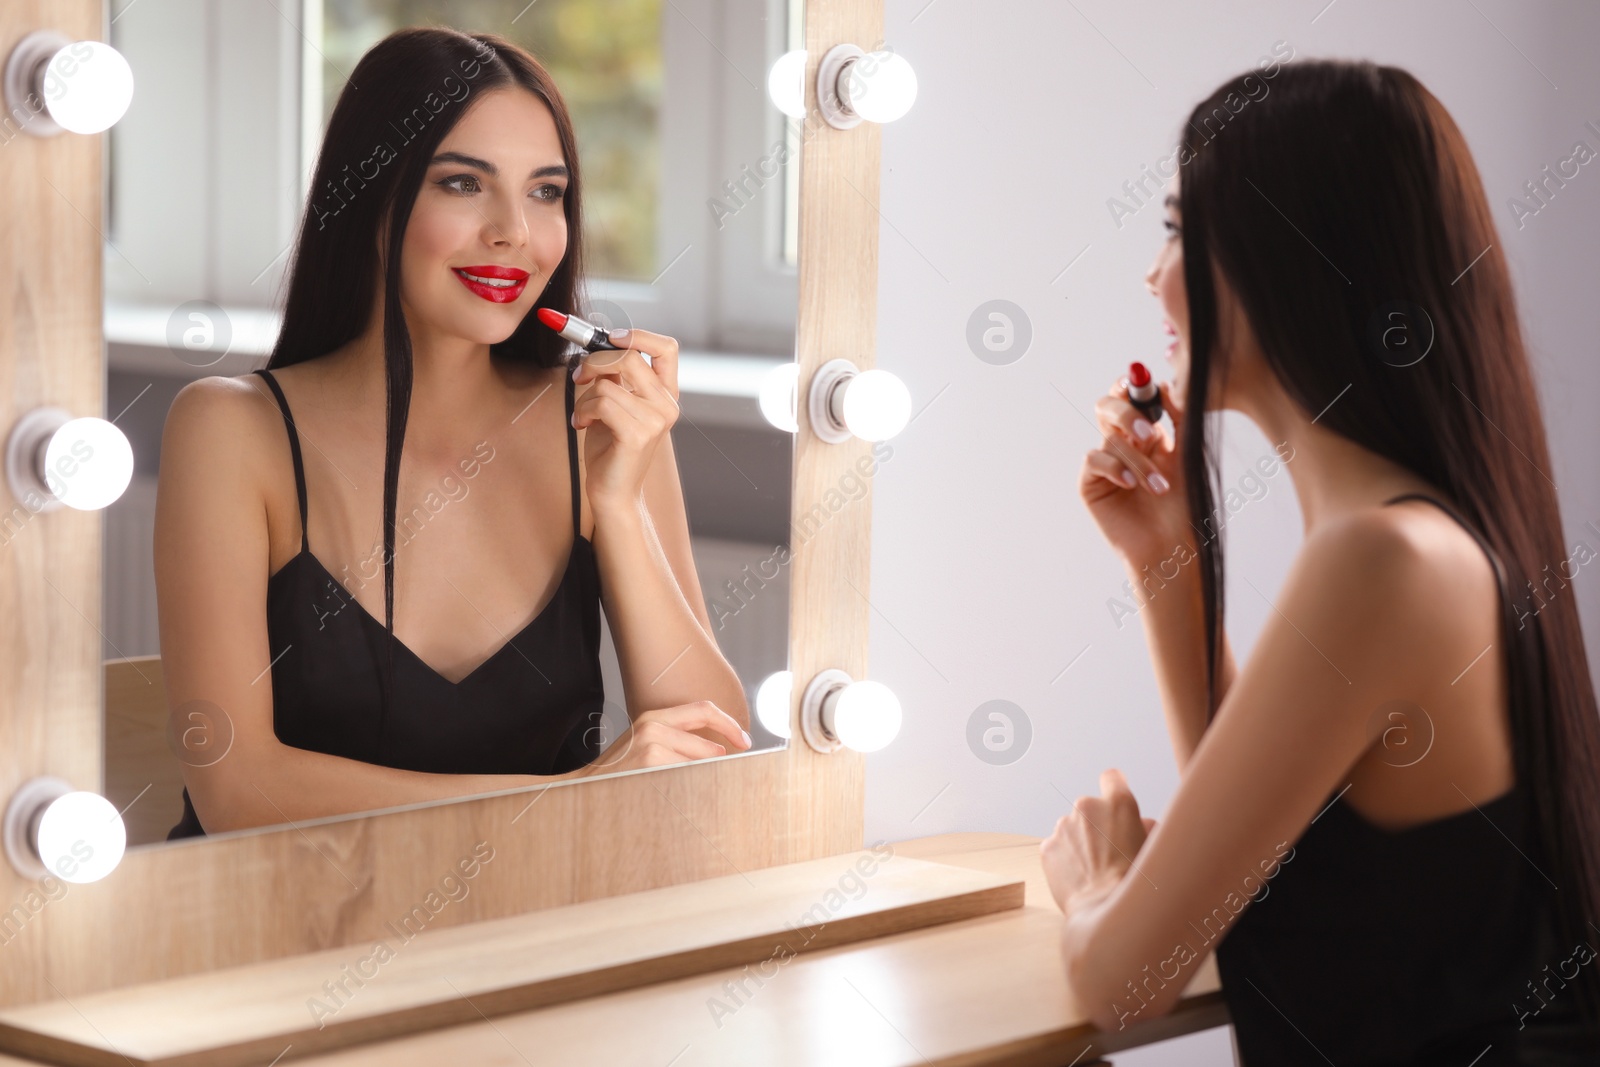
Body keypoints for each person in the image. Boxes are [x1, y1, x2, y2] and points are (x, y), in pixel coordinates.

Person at [1040, 58, 1600, 1061]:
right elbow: (1274, 862)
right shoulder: (1422, 540)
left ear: (1291, 256)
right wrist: (1170, 563)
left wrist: (1096, 886)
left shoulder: (1383, 560)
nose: (1152, 274)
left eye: (1176, 229)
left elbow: (1120, 981)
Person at [155, 28, 750, 838]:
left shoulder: (600, 427)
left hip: (524, 938)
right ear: (369, 197)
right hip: (276, 935)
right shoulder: (231, 431)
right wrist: (566, 799)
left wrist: (617, 503)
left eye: (547, 192)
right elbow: (239, 790)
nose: (514, 231)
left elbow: (712, 750)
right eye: (464, 183)